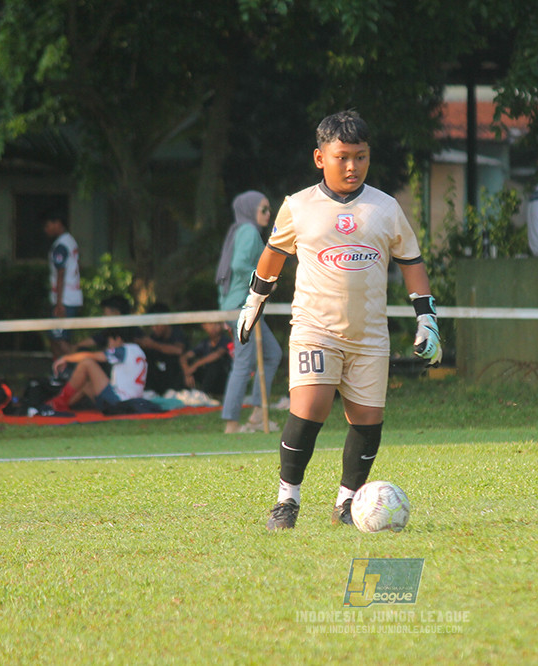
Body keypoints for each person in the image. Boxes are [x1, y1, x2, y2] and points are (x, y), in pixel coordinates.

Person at [236, 110, 442, 531]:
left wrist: (428, 318)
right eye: (343, 157)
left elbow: (411, 261)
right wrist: (255, 299)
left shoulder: (385, 208)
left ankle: (347, 504)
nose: (352, 166)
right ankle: (286, 502)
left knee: (367, 421)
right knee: (309, 408)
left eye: (361, 157)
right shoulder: (298, 206)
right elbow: (273, 254)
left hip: (369, 335)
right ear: (319, 158)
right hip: (316, 328)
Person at [216, 190, 283, 434]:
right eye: (263, 209)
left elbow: (225, 275)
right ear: (250, 210)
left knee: (272, 353)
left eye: (269, 209)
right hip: (242, 306)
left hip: (238, 305)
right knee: (244, 362)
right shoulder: (248, 231)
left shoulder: (241, 230)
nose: (268, 214)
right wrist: (263, 281)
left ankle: (257, 414)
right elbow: (238, 266)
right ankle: (231, 424)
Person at [47, 327, 146, 413]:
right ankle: (59, 405)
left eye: (109, 341)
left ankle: (58, 401)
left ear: (118, 339)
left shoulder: (122, 350)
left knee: (87, 363)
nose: (108, 345)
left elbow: (91, 356)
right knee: (85, 384)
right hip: (134, 402)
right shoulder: (138, 351)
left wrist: (66, 358)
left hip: (120, 401)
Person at [43, 209, 82, 358]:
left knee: (60, 340)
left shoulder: (61, 245)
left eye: (48, 225)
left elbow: (61, 273)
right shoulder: (70, 241)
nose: (45, 229)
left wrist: (59, 303)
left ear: (57, 224)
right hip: (69, 297)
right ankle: (60, 372)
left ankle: (82, 369)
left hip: (65, 300)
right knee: (54, 337)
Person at [137, 302, 188, 395]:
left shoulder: (177, 333)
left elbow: (178, 350)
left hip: (177, 378)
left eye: (156, 325)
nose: (154, 328)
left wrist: (153, 345)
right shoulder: (155, 337)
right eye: (152, 326)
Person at [180, 321, 233, 399]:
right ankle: (185, 392)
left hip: (222, 379)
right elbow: (184, 357)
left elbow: (217, 354)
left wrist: (195, 365)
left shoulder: (226, 341)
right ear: (204, 326)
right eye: (210, 324)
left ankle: (203, 394)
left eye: (217, 324)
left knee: (215, 364)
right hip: (206, 377)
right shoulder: (204, 343)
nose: (214, 327)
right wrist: (187, 372)